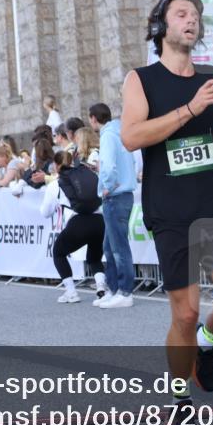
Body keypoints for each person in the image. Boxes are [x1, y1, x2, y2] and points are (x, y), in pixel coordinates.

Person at [120, 0, 213, 425]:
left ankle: (207, 343)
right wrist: (189, 108)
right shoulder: (141, 79)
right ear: (162, 25)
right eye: (181, 13)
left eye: (195, 15)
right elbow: (132, 137)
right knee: (183, 313)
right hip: (172, 212)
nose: (191, 20)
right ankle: (179, 401)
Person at [40, 150, 107, 303]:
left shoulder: (56, 183)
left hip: (78, 222)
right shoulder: (89, 175)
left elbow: (45, 212)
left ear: (57, 166)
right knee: (94, 257)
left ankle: (71, 292)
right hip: (99, 220)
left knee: (58, 252)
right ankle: (101, 288)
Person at [89, 103, 137, 308]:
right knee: (110, 246)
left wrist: (107, 185)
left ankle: (125, 292)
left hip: (115, 195)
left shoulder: (108, 135)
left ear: (93, 118)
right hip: (123, 194)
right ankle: (116, 289)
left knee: (117, 247)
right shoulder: (120, 132)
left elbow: (108, 164)